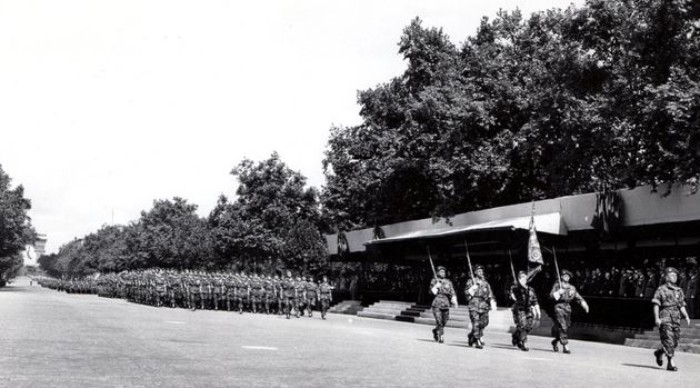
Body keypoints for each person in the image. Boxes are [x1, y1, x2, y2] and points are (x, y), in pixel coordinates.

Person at [652, 267, 691, 371]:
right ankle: (670, 364)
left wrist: (686, 316)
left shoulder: (679, 290)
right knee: (668, 340)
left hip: (676, 318)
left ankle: (659, 352)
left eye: (675, 276)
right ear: (666, 277)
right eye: (672, 275)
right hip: (665, 316)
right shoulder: (661, 289)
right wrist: (657, 318)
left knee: (675, 341)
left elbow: (681, 305)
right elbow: (656, 304)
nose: (674, 277)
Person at [550, 269, 589, 354]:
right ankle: (565, 346)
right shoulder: (557, 285)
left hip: (567, 308)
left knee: (565, 327)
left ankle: (555, 341)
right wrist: (558, 293)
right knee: (562, 326)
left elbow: (578, 297)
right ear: (561, 277)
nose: (566, 277)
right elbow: (551, 296)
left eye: (568, 276)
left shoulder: (572, 287)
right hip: (559, 307)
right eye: (565, 276)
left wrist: (584, 304)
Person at [464, 265, 496, 349]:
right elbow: (466, 293)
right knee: (476, 323)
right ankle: (477, 340)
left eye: (481, 271)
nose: (481, 272)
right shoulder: (471, 281)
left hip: (484, 305)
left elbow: (490, 294)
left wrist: (492, 302)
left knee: (484, 322)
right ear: (474, 272)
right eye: (478, 271)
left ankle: (472, 335)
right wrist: (473, 288)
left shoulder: (486, 283)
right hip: (474, 304)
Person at [510, 271, 541, 351]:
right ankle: (523, 342)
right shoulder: (515, 287)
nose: (524, 278)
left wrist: (537, 310)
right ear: (519, 278)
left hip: (528, 309)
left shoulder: (530, 289)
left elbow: (534, 300)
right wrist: (519, 284)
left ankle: (516, 336)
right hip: (519, 309)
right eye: (522, 277)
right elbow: (513, 296)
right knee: (523, 325)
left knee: (529, 326)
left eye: (525, 277)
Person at [430, 266, 457, 343]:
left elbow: (452, 292)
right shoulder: (434, 280)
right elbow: (432, 292)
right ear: (437, 273)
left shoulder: (448, 282)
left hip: (445, 303)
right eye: (441, 272)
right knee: (439, 321)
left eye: (444, 272)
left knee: (444, 321)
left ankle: (436, 330)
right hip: (437, 303)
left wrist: (454, 300)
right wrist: (436, 286)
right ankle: (441, 336)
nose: (443, 273)